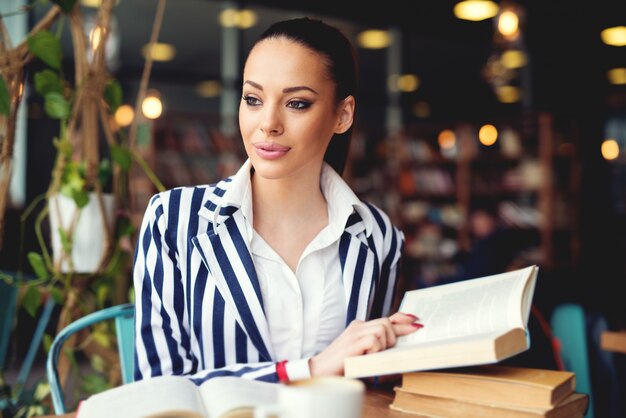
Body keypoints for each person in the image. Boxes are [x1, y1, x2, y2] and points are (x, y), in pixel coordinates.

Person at [132, 17, 422, 385]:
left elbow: (369, 382)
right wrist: (310, 370)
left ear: (342, 115)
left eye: (297, 103)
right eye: (253, 99)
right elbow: (160, 388)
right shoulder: (173, 221)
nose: (268, 123)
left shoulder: (378, 236)